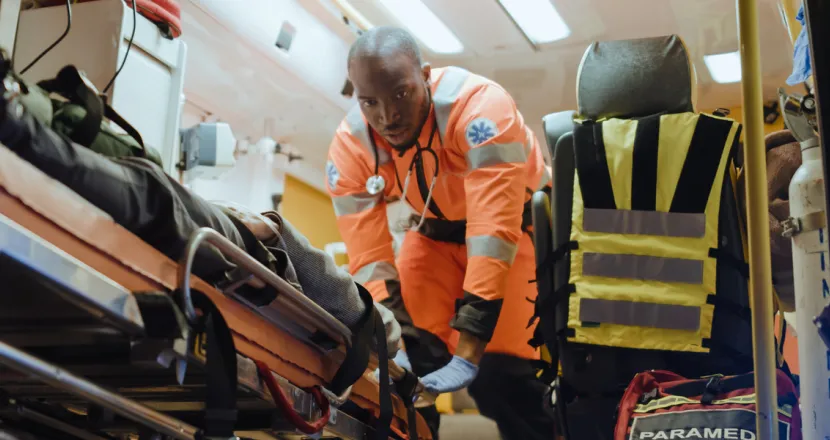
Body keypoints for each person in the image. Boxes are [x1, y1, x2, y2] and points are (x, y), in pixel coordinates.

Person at [0, 62, 402, 361]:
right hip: (247, 251)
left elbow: (356, 307)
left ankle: (17, 127)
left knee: (156, 196)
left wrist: (276, 230)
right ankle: (22, 117)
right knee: (149, 180)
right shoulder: (367, 328)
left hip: (252, 259)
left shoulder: (377, 330)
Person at [325, 26, 556, 439]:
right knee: (406, 363)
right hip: (431, 236)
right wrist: (390, 342)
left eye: (401, 94)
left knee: (502, 377)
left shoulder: (483, 110)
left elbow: (492, 230)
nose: (387, 116)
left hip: (513, 231)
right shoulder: (351, 147)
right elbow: (370, 260)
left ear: (426, 76)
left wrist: (470, 351)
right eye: (369, 102)